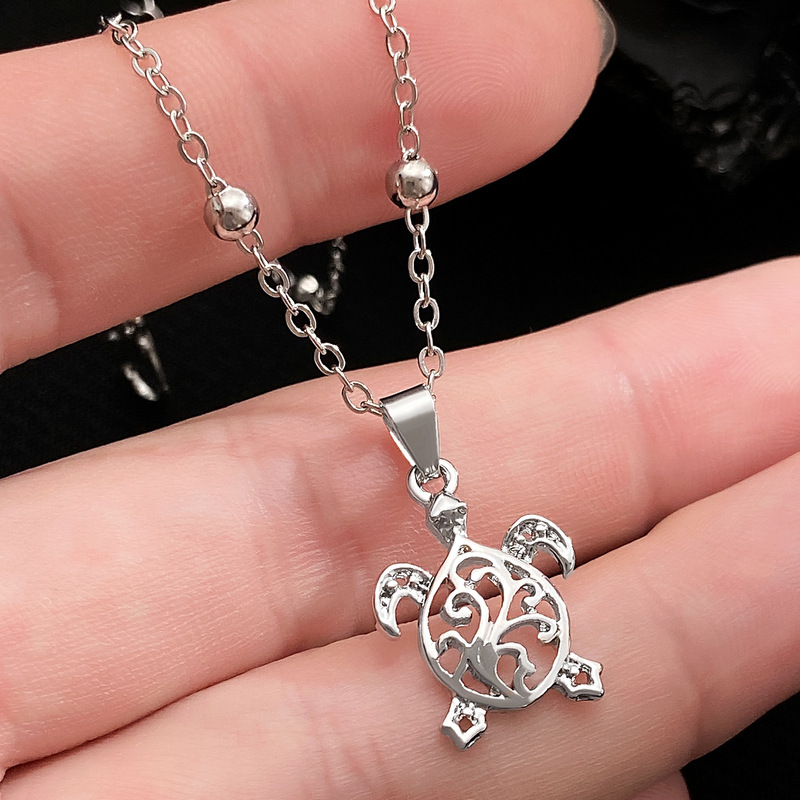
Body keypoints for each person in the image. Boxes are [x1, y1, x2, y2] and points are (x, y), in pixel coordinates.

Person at [0, 0, 797, 797]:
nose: (445, 512)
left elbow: (482, 574)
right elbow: (511, 561)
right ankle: (503, 692)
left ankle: (506, 691)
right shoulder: (493, 558)